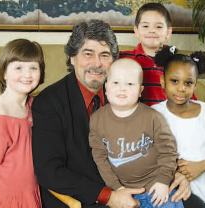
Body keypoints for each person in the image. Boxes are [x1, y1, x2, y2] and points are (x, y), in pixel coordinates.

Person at [32, 19, 192, 208]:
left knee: (193, 203)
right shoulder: (49, 102)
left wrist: (172, 174)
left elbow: (150, 141)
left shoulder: (124, 93)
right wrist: (108, 196)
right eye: (88, 54)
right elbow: (49, 171)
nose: (97, 63)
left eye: (105, 55)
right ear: (72, 58)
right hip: (85, 196)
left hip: (137, 186)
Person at [89, 58, 184, 208]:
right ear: (106, 87)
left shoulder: (153, 117)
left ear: (140, 91)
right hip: (121, 191)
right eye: (116, 83)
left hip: (156, 188)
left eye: (130, 84)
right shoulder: (96, 120)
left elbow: (169, 151)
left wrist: (163, 181)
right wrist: (117, 188)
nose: (122, 88)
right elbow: (100, 159)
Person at [152, 46, 205, 208]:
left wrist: (201, 166)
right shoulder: (154, 115)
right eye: (174, 81)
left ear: (195, 85)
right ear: (163, 81)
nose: (181, 88)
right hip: (182, 194)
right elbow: (150, 154)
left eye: (188, 83)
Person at [0, 39, 45, 208]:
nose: (27, 74)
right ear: (4, 73)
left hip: (31, 193)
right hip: (8, 199)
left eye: (33, 68)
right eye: (18, 67)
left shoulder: (35, 105)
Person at [120, 2, 172, 106]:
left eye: (158, 27)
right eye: (145, 26)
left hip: (166, 119)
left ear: (168, 32)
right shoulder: (122, 58)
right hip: (136, 118)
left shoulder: (176, 61)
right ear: (136, 31)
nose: (152, 30)